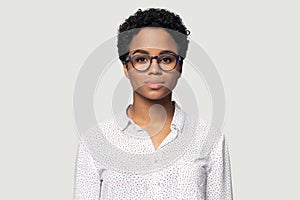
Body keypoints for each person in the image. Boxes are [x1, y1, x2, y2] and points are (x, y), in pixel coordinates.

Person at [73, 8, 233, 199]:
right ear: (126, 66)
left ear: (180, 65)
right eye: (141, 59)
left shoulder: (209, 139)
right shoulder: (96, 141)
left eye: (166, 59)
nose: (154, 69)